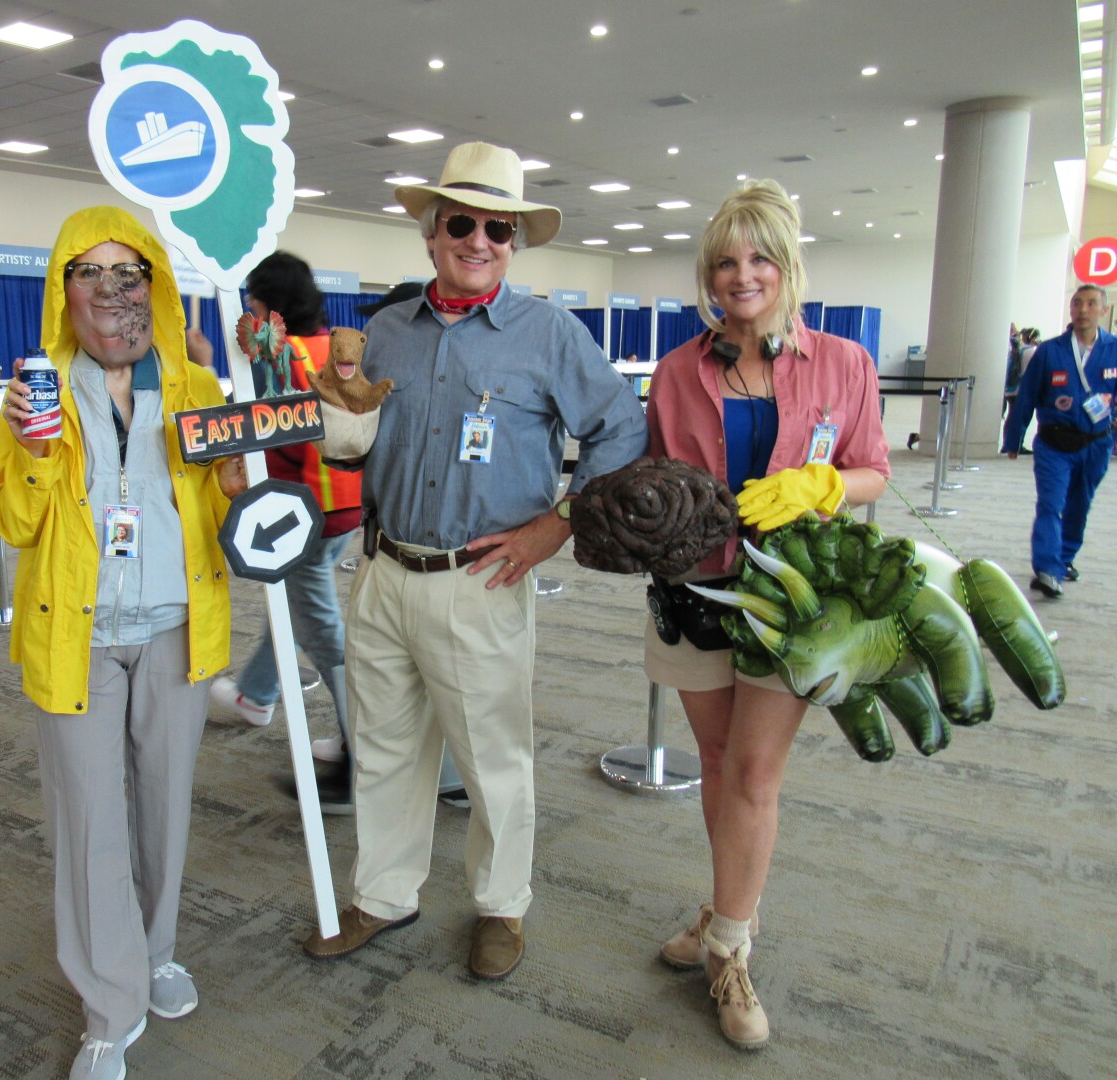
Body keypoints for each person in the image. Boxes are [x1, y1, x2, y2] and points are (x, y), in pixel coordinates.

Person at [300, 141, 647, 980]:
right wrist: (331, 430)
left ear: (515, 241)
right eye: (462, 221)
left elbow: (621, 429)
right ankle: (384, 894)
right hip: (382, 571)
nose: (480, 239)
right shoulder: (385, 331)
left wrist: (557, 525)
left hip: (482, 580)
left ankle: (502, 906)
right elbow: (357, 441)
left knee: (493, 758)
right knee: (384, 747)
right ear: (431, 232)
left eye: (500, 226)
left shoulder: (549, 334)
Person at [0, 205, 242, 1080]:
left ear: (154, 285)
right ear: (64, 289)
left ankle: (158, 950)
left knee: (164, 808)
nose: (110, 289)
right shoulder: (38, 391)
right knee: (90, 819)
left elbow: (226, 510)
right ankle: (110, 1001)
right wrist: (25, 445)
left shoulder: (195, 390)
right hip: (79, 637)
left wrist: (246, 477)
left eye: (125, 272)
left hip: (175, 628)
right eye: (88, 272)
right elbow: (17, 524)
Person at [645, 179, 889, 1050]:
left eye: (758, 259)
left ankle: (731, 951)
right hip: (695, 595)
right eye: (724, 260)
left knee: (753, 776)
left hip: (790, 605)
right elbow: (653, 478)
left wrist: (823, 483)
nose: (740, 275)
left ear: (787, 267)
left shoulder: (844, 364)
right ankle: (722, 911)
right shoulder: (677, 372)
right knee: (713, 765)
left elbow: (872, 470)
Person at [206, 251, 367, 812]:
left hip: (304, 508)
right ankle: (256, 694)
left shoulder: (281, 355)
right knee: (299, 604)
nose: (247, 307)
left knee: (321, 628)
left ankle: (362, 757)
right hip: (347, 506)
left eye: (252, 297)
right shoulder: (334, 346)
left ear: (269, 303)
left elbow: (279, 435)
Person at [1001, 284, 1117, 597]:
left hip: (1096, 444)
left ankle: (1064, 559)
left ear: (1104, 311)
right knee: (1051, 504)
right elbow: (1026, 397)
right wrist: (1014, 439)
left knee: (1080, 504)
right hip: (1054, 444)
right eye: (1077, 303)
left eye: (1091, 304)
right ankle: (1048, 569)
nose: (1083, 310)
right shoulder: (1050, 352)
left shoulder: (1114, 349)